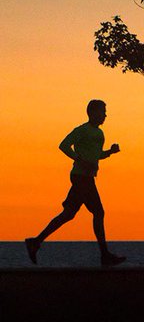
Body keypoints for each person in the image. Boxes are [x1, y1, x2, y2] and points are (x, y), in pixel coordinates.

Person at [25, 99, 125, 268]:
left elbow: (96, 155)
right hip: (80, 177)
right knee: (99, 212)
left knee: (69, 214)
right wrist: (79, 159)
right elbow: (63, 145)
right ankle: (105, 255)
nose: (105, 115)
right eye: (102, 112)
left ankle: (35, 241)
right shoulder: (82, 130)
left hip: (87, 177)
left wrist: (110, 152)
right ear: (92, 113)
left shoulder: (100, 134)